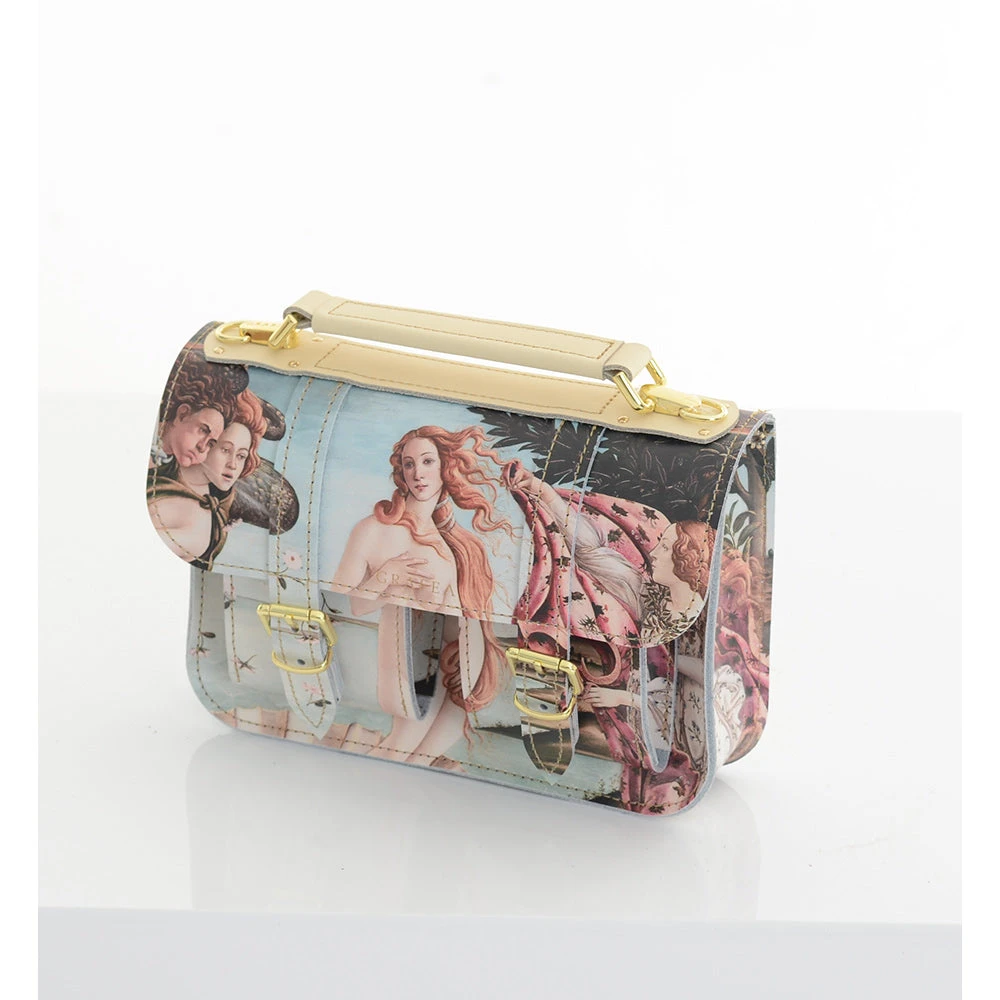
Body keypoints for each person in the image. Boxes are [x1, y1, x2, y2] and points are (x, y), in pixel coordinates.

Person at [331, 425, 515, 766]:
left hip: (458, 672)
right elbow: (352, 603)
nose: (418, 473)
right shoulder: (374, 529)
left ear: (445, 467)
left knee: (419, 759)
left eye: (427, 461)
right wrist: (387, 576)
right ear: (400, 471)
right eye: (409, 464)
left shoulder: (454, 540)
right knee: (396, 751)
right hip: (416, 668)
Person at [146, 390, 268, 570]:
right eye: (225, 450)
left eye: (241, 456)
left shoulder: (198, 525)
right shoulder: (162, 467)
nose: (233, 464)